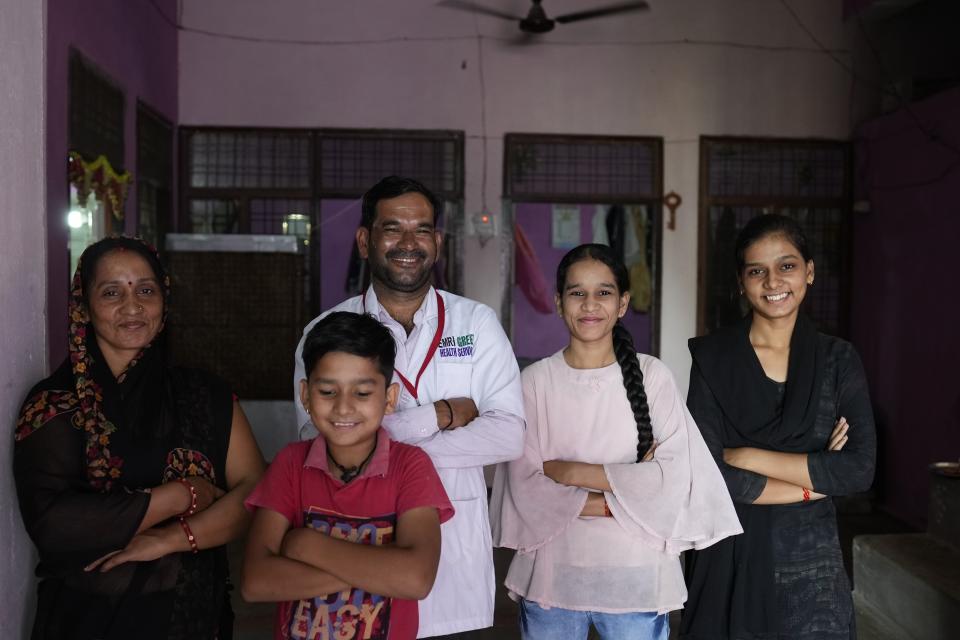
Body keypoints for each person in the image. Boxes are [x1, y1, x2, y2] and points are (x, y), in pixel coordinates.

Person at [292, 176, 525, 638]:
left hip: (453, 559)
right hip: (354, 550)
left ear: (436, 242)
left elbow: (508, 434)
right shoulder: (326, 330)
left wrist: (394, 442)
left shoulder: (475, 323)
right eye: (392, 227)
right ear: (365, 240)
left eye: (421, 229)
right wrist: (441, 414)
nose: (408, 242)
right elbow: (315, 444)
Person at [13, 236, 266, 640]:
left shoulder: (205, 395)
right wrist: (181, 495)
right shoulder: (54, 405)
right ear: (84, 304)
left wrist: (169, 540)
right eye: (111, 292)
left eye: (146, 290)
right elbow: (52, 523)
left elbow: (255, 492)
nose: (132, 308)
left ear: (164, 300)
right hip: (85, 621)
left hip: (192, 618)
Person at [490, 243, 742, 640]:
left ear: (623, 303)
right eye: (577, 293)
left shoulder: (653, 376)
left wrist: (572, 472)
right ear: (559, 303)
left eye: (604, 292)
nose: (590, 304)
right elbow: (524, 485)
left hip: (637, 575)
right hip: (553, 576)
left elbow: (674, 478)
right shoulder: (534, 382)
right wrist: (625, 495)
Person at [679, 214, 876, 639]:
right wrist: (817, 478)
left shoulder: (838, 360)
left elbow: (859, 469)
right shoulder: (714, 359)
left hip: (812, 563)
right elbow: (707, 475)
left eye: (786, 266)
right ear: (741, 281)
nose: (773, 281)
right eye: (757, 271)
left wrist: (748, 455)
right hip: (729, 554)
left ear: (808, 271)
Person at [243, 311, 454, 640]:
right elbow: (256, 582)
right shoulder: (290, 463)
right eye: (328, 392)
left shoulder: (410, 466)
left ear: (389, 398)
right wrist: (381, 571)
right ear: (305, 395)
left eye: (362, 393)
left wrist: (306, 545)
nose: (343, 408)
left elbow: (415, 579)